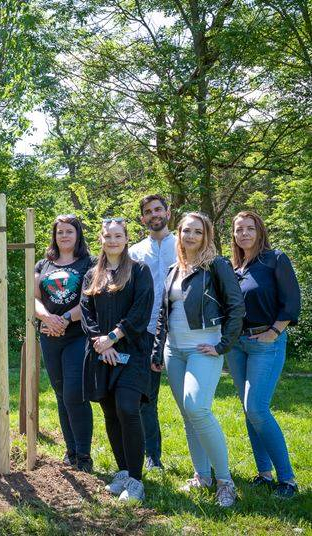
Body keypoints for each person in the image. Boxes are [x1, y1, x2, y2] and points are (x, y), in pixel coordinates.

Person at [152, 212, 244, 507]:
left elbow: (236, 306)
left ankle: (225, 482)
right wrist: (158, 351)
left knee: (197, 408)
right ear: (178, 234)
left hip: (203, 349)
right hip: (174, 351)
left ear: (206, 236)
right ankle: (201, 475)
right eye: (186, 231)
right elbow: (164, 314)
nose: (190, 236)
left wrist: (222, 346)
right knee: (188, 417)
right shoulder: (172, 269)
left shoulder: (216, 266)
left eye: (197, 232)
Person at [226, 211, 301, 499]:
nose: (244, 233)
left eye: (249, 228)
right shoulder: (235, 267)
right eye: (238, 229)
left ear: (259, 230)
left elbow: (292, 300)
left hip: (265, 341)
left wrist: (274, 332)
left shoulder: (275, 259)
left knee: (257, 407)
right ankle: (264, 473)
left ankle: (287, 479)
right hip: (237, 345)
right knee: (248, 409)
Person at [81, 217, 154, 503]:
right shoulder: (92, 275)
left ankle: (136, 481)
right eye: (108, 236)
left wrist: (113, 337)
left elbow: (141, 309)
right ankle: (122, 472)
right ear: (101, 239)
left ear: (126, 239)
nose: (112, 241)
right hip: (101, 353)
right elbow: (86, 313)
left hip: (132, 352)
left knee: (127, 408)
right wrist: (101, 343)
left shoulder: (139, 271)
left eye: (118, 236)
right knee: (110, 412)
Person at [34, 214, 95, 472]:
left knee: (74, 393)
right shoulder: (42, 264)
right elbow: (33, 297)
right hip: (49, 334)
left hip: (77, 335)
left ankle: (84, 455)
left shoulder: (89, 263)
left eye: (69, 231)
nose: (64, 236)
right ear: (54, 235)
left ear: (77, 234)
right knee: (60, 393)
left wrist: (65, 319)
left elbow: (90, 300)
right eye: (60, 232)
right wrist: (47, 317)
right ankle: (70, 451)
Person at [129, 194, 177, 471]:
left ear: (168, 213)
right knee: (147, 397)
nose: (154, 214)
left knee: (191, 402)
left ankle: (204, 464)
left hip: (181, 331)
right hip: (147, 332)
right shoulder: (135, 252)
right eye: (148, 211)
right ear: (142, 219)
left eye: (158, 209)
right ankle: (152, 455)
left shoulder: (183, 244)